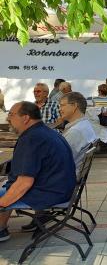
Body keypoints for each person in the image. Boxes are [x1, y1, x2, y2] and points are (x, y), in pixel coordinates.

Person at [0, 101, 76, 242]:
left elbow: (24, 183)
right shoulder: (45, 131)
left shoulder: (32, 138)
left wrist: (2, 204)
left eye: (11, 114)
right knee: (6, 185)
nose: (8, 118)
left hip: (50, 194)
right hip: (61, 189)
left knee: (5, 189)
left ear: (26, 118)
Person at [59, 92, 97, 176]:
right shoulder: (85, 124)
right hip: (71, 175)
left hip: (63, 179)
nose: (60, 109)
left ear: (74, 106)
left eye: (62, 105)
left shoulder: (75, 131)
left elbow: (58, 161)